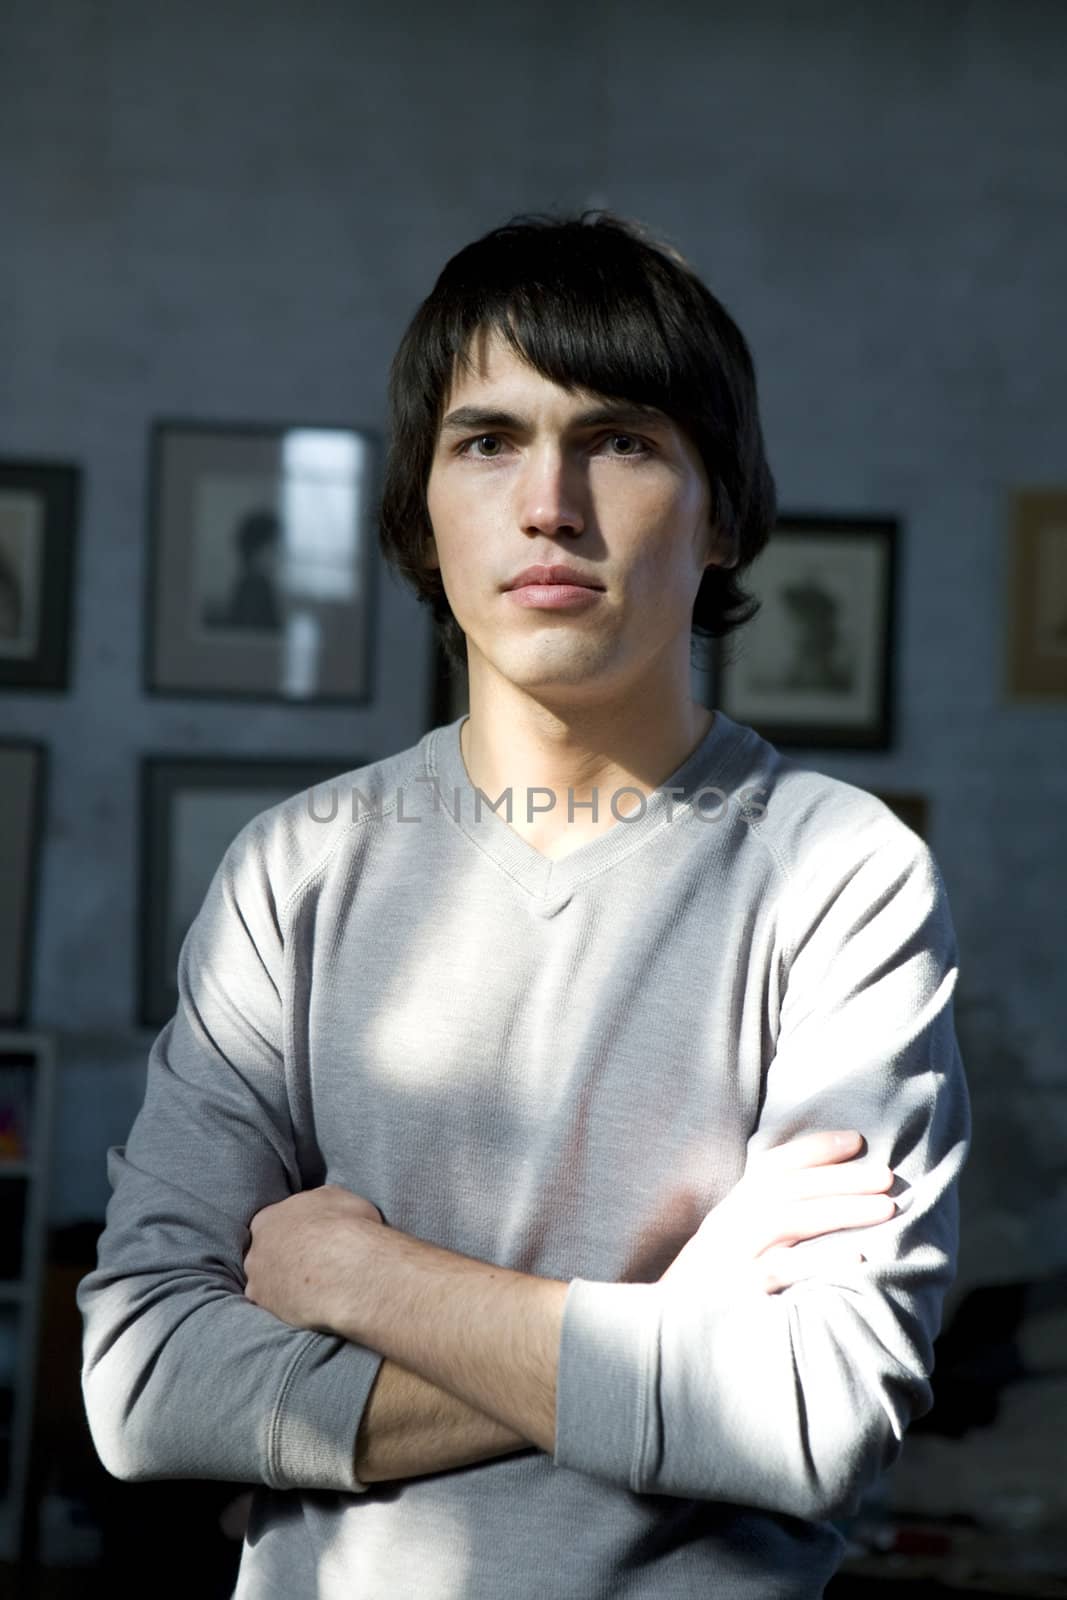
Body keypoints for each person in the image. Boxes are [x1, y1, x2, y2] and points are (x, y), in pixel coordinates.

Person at [78, 210, 970, 1598]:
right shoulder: (293, 872)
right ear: (419, 519)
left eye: (620, 439)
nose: (548, 501)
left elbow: (814, 1414)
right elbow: (141, 1387)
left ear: (723, 511)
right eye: (487, 442)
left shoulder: (839, 873)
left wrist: (368, 1285)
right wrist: (678, 1325)